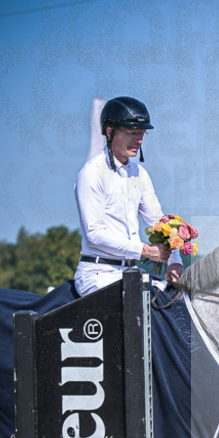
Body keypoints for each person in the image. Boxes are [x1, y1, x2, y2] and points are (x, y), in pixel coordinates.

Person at [74, 96, 182, 296]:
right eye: (132, 133)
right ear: (109, 132)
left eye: (142, 133)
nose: (139, 140)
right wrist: (145, 250)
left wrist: (175, 263)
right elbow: (94, 234)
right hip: (98, 274)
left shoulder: (140, 174)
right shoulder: (91, 172)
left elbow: (158, 222)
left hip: (131, 273)